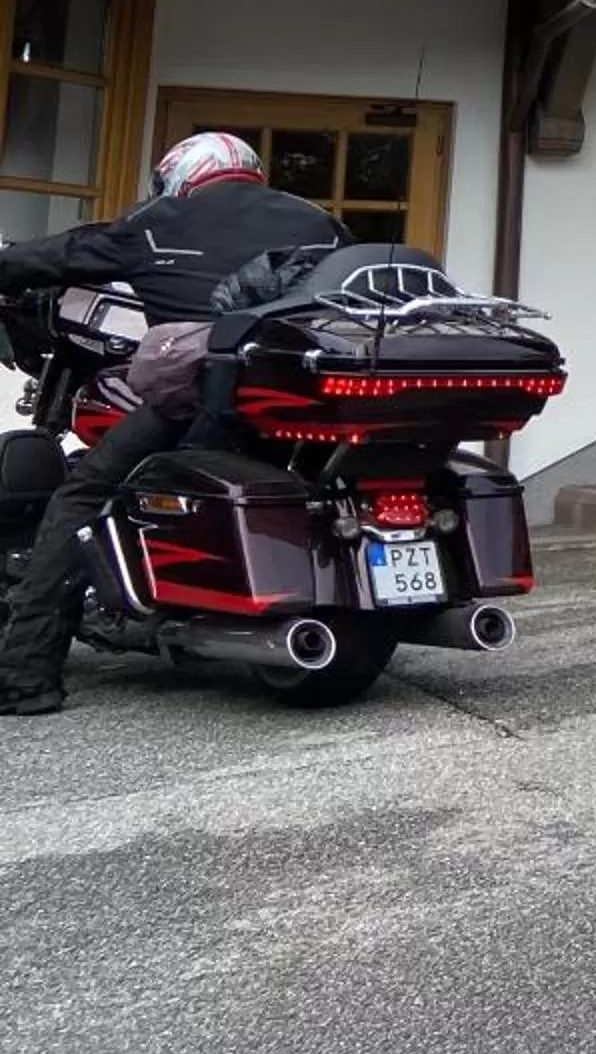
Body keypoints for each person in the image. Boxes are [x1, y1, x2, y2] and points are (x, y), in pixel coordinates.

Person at [0, 133, 344, 715]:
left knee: (81, 495)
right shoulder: (318, 220)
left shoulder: (158, 222)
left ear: (182, 175)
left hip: (207, 397)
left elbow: (56, 256)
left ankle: (26, 677)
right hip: (300, 396)